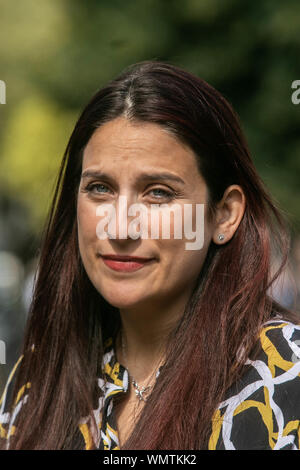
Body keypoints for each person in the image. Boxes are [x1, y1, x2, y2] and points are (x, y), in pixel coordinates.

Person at [0, 60, 300, 450]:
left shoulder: (285, 376)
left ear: (224, 214)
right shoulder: (37, 380)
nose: (120, 228)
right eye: (100, 188)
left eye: (158, 192)